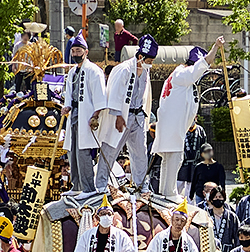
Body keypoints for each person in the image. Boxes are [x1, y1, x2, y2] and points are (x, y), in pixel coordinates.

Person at [152, 39, 225, 197]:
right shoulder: (182, 74)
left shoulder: (181, 77)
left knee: (171, 160)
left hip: (173, 126)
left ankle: (165, 192)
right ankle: (168, 193)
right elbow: (203, 65)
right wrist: (215, 47)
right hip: (172, 127)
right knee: (174, 160)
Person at [97, 34, 157, 194]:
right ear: (140, 56)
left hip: (138, 116)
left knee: (140, 153)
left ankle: (141, 184)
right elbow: (115, 92)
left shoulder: (144, 70)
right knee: (110, 149)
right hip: (122, 116)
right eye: (149, 61)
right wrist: (117, 115)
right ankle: (101, 184)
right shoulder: (123, 69)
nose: (150, 65)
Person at [61, 31, 106, 199]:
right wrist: (66, 107)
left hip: (86, 116)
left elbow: (100, 96)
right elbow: (68, 95)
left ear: (86, 52)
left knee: (83, 152)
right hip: (74, 115)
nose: (75, 54)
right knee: (72, 151)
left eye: (78, 51)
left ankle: (88, 188)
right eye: (73, 51)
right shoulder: (72, 72)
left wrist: (95, 115)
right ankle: (76, 186)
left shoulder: (94, 71)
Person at [207, 187, 239, 252]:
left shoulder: (232, 216)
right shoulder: (206, 215)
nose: (218, 199)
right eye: (215, 197)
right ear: (211, 199)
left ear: (224, 198)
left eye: (220, 197)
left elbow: (237, 236)